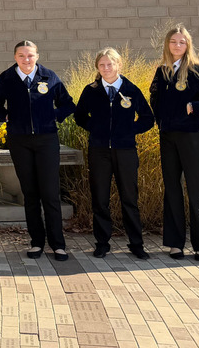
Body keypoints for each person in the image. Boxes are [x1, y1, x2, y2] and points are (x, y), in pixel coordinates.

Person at [0, 40, 76, 261]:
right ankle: (37, 242)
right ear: (15, 57)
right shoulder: (7, 78)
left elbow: (67, 103)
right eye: (21, 55)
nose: (26, 59)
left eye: (30, 55)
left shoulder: (49, 76)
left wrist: (53, 116)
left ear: (37, 56)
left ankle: (58, 245)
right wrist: (4, 115)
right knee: (30, 193)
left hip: (47, 140)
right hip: (20, 141)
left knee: (50, 193)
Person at [149, 24, 199, 261]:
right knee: (172, 188)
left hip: (192, 136)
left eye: (182, 42)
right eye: (173, 41)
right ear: (167, 44)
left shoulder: (196, 70)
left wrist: (196, 106)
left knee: (196, 189)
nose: (177, 45)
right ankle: (175, 243)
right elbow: (155, 99)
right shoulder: (162, 71)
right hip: (168, 137)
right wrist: (161, 120)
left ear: (188, 45)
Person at [73, 48, 155, 260]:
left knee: (129, 198)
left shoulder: (131, 90)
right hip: (99, 151)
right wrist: (96, 128)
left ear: (118, 65)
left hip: (125, 151)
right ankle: (102, 243)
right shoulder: (91, 90)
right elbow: (79, 116)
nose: (106, 68)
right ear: (97, 68)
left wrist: (129, 130)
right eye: (102, 65)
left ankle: (136, 244)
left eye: (110, 64)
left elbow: (148, 118)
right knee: (100, 198)